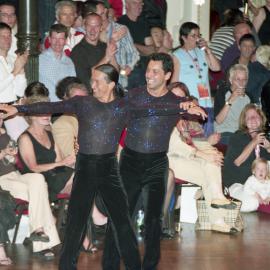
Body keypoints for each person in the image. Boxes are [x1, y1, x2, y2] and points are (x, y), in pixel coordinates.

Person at [0, 60, 206, 269]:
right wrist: (18, 108)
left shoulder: (124, 106)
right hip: (85, 169)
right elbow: (52, 106)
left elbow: (154, 108)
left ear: (110, 84)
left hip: (109, 170)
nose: (93, 86)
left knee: (123, 223)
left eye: (97, 82)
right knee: (75, 225)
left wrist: (183, 105)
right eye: (92, 81)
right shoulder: (83, 103)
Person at [166, 81, 237, 234]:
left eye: (181, 97)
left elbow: (198, 142)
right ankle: (217, 199)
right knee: (208, 167)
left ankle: (218, 219)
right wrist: (204, 154)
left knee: (212, 164)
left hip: (186, 156)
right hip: (167, 159)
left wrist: (212, 152)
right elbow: (174, 145)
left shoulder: (186, 118)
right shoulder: (164, 114)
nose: (178, 100)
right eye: (174, 96)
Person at [0, 124, 60, 259]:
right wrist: (4, 152)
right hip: (1, 181)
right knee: (40, 193)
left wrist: (12, 155)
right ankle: (41, 236)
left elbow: (14, 160)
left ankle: (38, 230)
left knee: (38, 179)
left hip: (15, 175)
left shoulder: (3, 132)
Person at [18, 95, 75, 202]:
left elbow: (60, 161)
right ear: (31, 115)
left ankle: (96, 217)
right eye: (42, 111)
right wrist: (62, 163)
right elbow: (33, 167)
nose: (47, 114)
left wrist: (72, 159)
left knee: (87, 177)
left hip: (58, 175)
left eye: (49, 110)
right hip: (41, 179)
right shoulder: (25, 138)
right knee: (84, 181)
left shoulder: (49, 134)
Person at [172, 21, 220, 136]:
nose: (197, 39)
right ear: (184, 37)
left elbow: (216, 67)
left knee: (208, 137)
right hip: (191, 104)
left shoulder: (202, 52)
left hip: (206, 102)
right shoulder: (177, 55)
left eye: (199, 35)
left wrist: (208, 50)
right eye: (193, 36)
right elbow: (174, 83)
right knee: (195, 137)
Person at [223, 104, 270, 188]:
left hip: (262, 183)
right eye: (249, 117)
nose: (252, 119)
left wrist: (268, 148)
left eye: (255, 116)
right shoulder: (237, 137)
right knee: (252, 199)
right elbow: (237, 162)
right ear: (244, 122)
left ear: (261, 119)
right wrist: (254, 142)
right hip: (238, 183)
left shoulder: (265, 138)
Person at [70, 12, 117, 89]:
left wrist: (112, 54)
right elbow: (86, 80)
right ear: (84, 26)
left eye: (96, 26)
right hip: (90, 95)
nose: (93, 30)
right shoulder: (78, 51)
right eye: (89, 26)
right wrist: (106, 58)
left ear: (101, 28)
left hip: (108, 91)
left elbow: (116, 73)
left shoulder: (104, 46)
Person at [214, 64, 250, 145]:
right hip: (224, 133)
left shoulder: (248, 98)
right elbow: (219, 120)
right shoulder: (222, 92)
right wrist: (231, 99)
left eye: (244, 80)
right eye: (238, 79)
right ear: (231, 80)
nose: (241, 83)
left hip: (241, 134)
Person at [39, 24, 76, 102]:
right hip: (46, 107)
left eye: (61, 39)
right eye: (54, 38)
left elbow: (73, 87)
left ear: (66, 40)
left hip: (64, 108)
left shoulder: (69, 62)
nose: (57, 42)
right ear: (49, 39)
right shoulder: (40, 59)